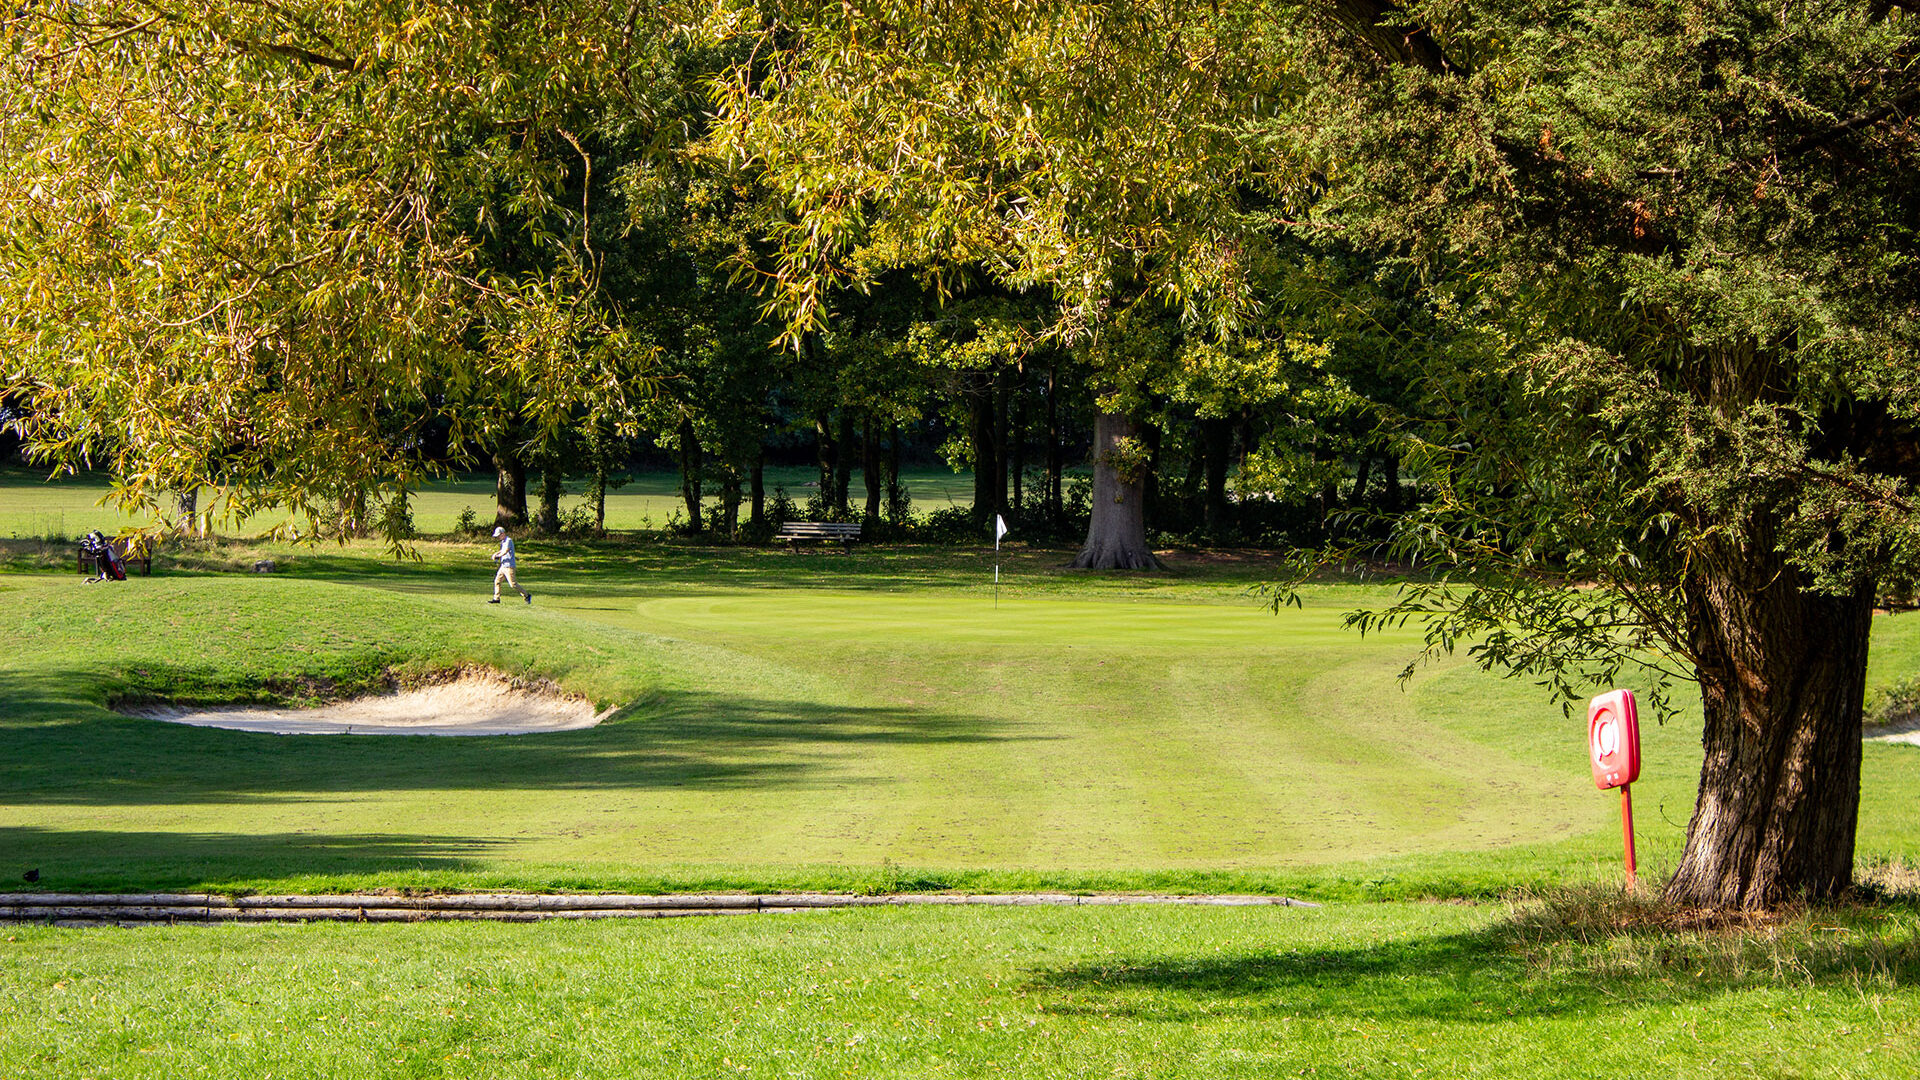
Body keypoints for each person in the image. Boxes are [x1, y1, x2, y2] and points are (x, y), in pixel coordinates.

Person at [488, 526, 531, 605]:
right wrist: (496, 553)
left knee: (513, 584)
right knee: (497, 581)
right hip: (503, 566)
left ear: (503, 533)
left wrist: (497, 556)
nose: (498, 537)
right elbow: (502, 550)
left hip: (509, 566)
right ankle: (496, 598)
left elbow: (505, 551)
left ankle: (526, 595)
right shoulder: (503, 542)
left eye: (499, 535)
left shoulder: (508, 540)